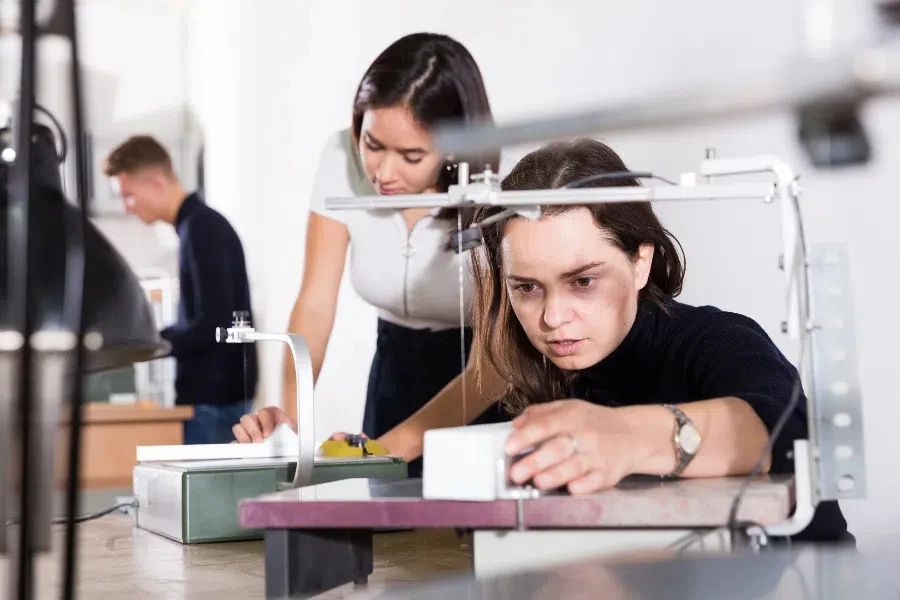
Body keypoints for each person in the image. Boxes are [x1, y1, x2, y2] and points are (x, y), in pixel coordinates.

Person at [464, 137, 852, 544]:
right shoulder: (541, 378)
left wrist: (625, 437)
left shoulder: (714, 341)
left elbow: (788, 434)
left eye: (583, 281)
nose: (553, 317)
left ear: (640, 263)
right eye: (527, 287)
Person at [232, 32, 507, 476]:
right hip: (394, 370)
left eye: (411, 155)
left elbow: (492, 367)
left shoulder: (497, 190)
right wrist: (292, 418)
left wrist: (380, 448)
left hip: (480, 383)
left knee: (459, 537)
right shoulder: (340, 157)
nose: (383, 172)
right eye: (373, 144)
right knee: (387, 534)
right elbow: (316, 302)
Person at [104, 135, 258, 444]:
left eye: (129, 195)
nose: (128, 207)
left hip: (214, 404)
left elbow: (215, 325)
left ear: (157, 181)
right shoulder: (198, 227)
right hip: (217, 399)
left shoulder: (201, 229)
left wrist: (152, 343)